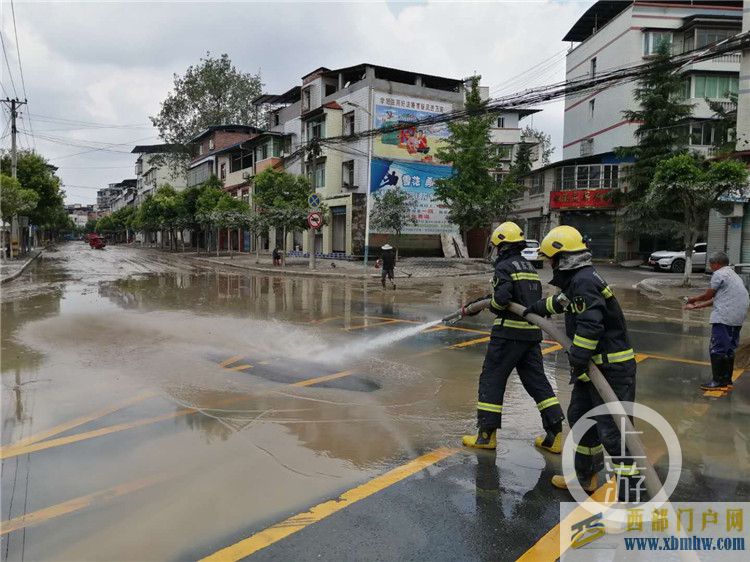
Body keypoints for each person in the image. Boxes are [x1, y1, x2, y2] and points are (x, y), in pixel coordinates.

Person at [524, 225, 638, 500]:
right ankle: (586, 477)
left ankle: (631, 496)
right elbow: (561, 303)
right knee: (581, 419)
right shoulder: (579, 280)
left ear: (561, 258)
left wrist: (577, 358)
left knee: (613, 433)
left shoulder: (584, 281)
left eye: (550, 259)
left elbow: (590, 325)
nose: (549, 264)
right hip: (594, 369)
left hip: (610, 370)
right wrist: (532, 310)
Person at [462, 222, 565, 453]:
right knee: (537, 383)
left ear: (502, 246)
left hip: (507, 335)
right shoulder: (528, 267)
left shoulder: (504, 266)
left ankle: (486, 436)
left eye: (496, 246)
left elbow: (502, 299)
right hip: (531, 335)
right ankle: (555, 435)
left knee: (492, 380)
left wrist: (493, 304)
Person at [685, 251, 749, 391]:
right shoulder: (734, 276)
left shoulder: (719, 274)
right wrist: (697, 306)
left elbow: (709, 294)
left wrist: (693, 299)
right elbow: (719, 299)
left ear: (717, 264)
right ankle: (726, 380)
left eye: (711, 264)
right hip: (736, 318)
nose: (710, 267)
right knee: (729, 349)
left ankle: (717, 381)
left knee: (717, 348)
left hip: (724, 317)